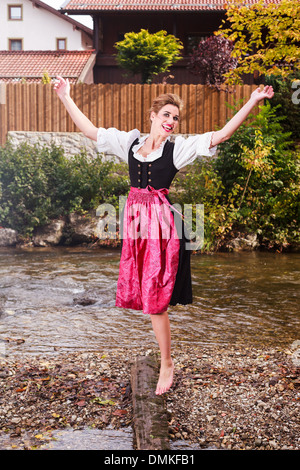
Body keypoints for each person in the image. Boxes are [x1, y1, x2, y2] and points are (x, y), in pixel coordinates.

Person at [54, 77, 274, 395]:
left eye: (175, 117)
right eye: (166, 115)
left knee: (156, 302)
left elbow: (221, 135)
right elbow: (90, 131)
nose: (171, 122)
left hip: (163, 229)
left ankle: (167, 363)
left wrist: (251, 101)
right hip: (136, 228)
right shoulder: (129, 143)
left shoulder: (178, 149)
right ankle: (164, 356)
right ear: (153, 115)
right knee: (145, 297)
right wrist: (65, 96)